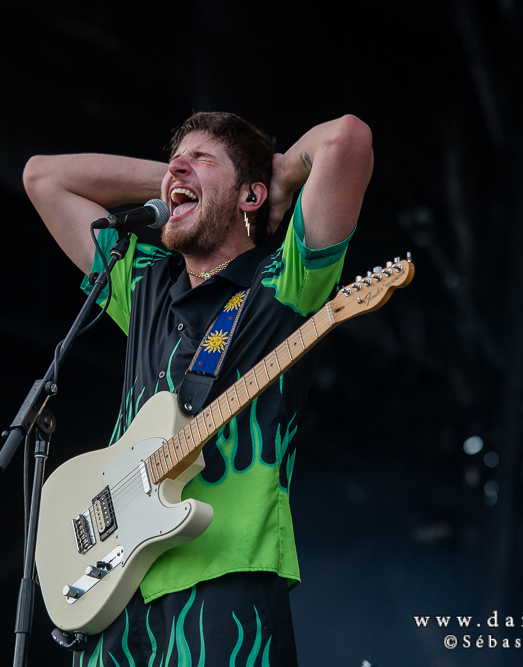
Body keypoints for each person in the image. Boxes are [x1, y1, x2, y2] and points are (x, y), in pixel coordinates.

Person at [24, 112, 372, 666]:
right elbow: (44, 178)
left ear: (251, 196)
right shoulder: (144, 285)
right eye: (175, 160)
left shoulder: (283, 283)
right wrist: (179, 179)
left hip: (223, 584)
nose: (178, 167)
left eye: (203, 158)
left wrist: (279, 175)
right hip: (115, 593)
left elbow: (347, 138)